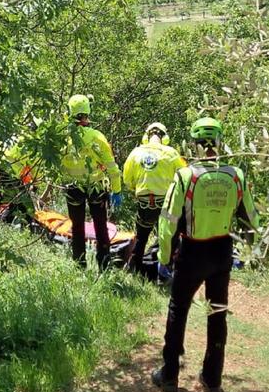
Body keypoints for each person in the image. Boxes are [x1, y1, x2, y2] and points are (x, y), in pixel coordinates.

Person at [151, 117, 257, 392]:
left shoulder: (186, 175)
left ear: (195, 144)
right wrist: (247, 250)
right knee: (217, 313)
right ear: (219, 142)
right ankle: (212, 379)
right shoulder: (236, 174)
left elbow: (168, 221)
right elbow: (250, 219)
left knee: (178, 309)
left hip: (192, 251)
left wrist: (164, 256)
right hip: (222, 251)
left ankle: (170, 375)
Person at [59, 94, 121, 269]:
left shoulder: (63, 137)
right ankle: (104, 266)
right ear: (87, 112)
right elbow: (112, 168)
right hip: (97, 187)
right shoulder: (97, 136)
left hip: (73, 188)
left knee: (77, 227)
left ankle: (79, 266)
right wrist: (117, 190)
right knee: (101, 227)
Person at [122, 121, 186, 274]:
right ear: (165, 137)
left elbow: (127, 179)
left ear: (146, 136)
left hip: (144, 203)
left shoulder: (136, 153)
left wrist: (135, 189)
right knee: (169, 237)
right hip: (166, 203)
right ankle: (165, 272)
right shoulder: (171, 153)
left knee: (141, 237)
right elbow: (185, 176)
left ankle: (135, 272)